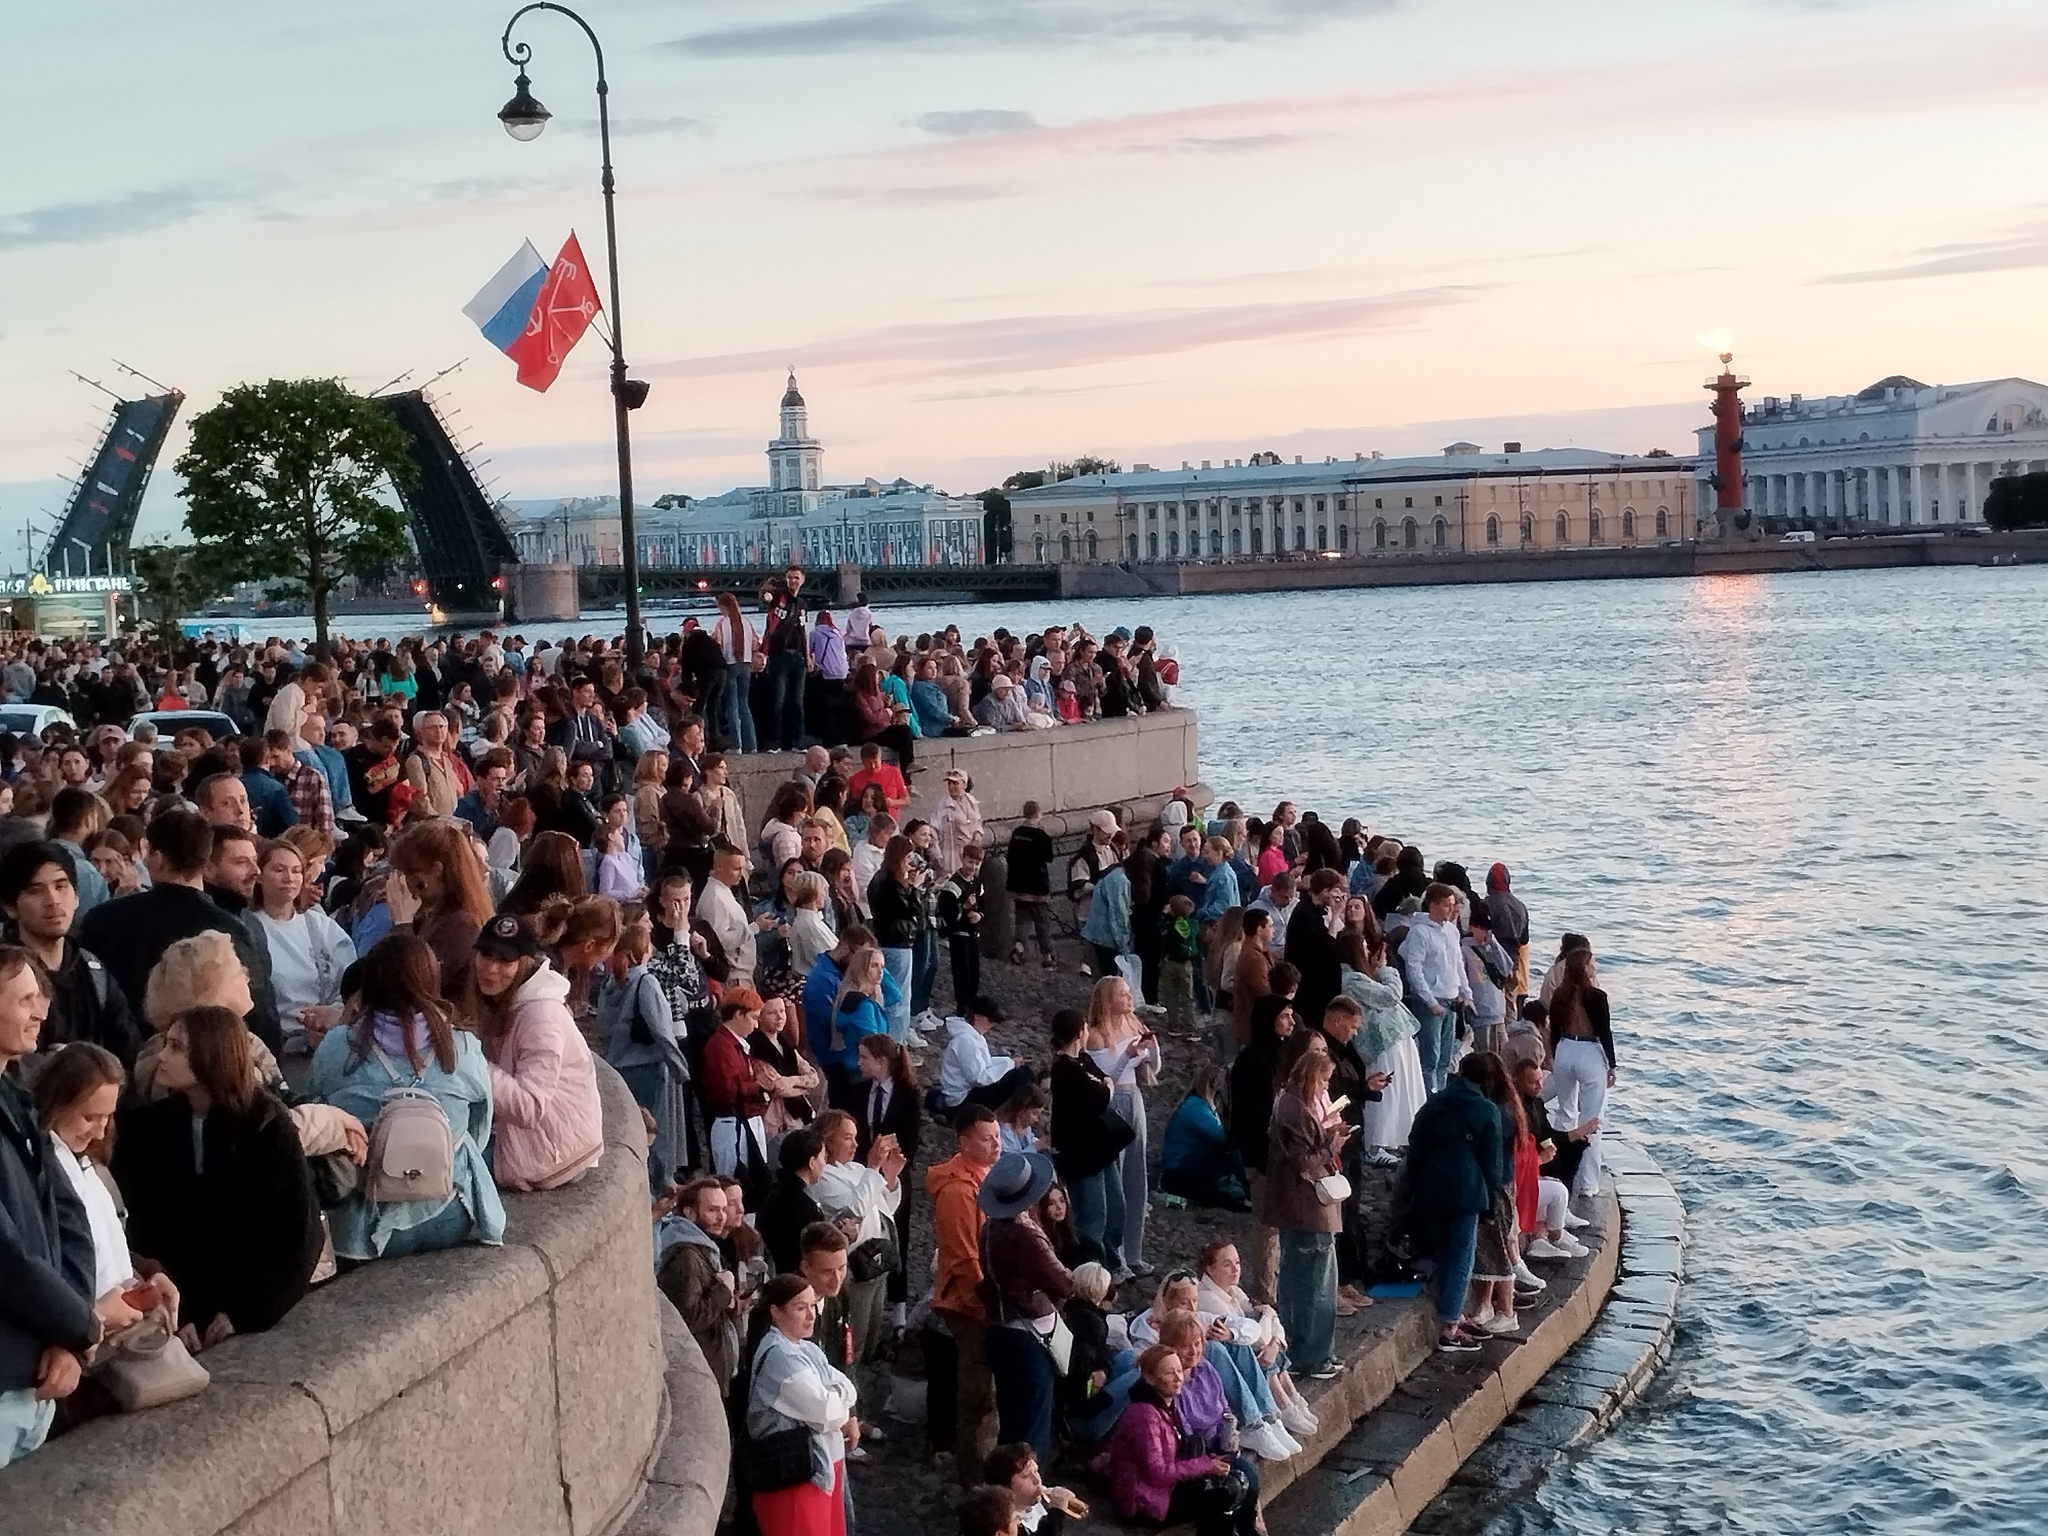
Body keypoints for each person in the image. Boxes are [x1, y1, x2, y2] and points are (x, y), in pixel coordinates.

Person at [114, 1004, 323, 1351]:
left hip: (245, 1308)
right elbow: (146, 1227)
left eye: (177, 1047)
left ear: (212, 1055)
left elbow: (298, 1236)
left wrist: (246, 1312)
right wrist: (183, 1313)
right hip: (178, 1310)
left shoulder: (265, 1126)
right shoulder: (150, 1126)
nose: (162, 1056)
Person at [307, 935, 505, 1261]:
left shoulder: (338, 1046)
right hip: (448, 1212)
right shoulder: (463, 1047)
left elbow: (314, 1110)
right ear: (431, 980)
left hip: (361, 1228)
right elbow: (479, 1129)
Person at [0, 951, 100, 1468]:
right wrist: (79, 1326)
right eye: (23, 999)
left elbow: (70, 1222)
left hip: (37, 1373)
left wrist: (72, 1334)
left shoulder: (18, 1098)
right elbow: (7, 1259)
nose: (40, 1011)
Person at [78, 807, 283, 1054]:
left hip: (115, 1063)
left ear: (157, 857)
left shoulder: (103, 919)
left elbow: (85, 999)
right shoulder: (232, 930)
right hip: (204, 1064)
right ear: (205, 860)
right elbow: (261, 1017)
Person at [466, 914, 603, 1192]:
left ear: (524, 963)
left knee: (442, 1164)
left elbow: (530, 1107)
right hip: (547, 1141)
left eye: (505, 960)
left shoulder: (542, 1015)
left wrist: (470, 1059)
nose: (491, 968)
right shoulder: (509, 1000)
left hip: (553, 1154)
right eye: (485, 955)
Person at [0, 841, 139, 1066]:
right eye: (35, 890)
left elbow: (129, 1052)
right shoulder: (4, 974)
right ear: (10, 907)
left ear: (76, 897)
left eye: (61, 886)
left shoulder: (94, 972)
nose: (53, 900)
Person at [975, 1150, 1074, 1463]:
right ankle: (1030, 1502)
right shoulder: (1026, 1235)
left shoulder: (990, 1229)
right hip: (1028, 1336)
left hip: (999, 1330)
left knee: (1011, 1424)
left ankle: (1003, 1497)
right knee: (1032, 1429)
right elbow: (1064, 1283)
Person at [1404, 1054, 1507, 1355]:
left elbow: (1416, 1142)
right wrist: (1490, 1204)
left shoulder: (1435, 1102)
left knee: (1443, 1252)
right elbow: (1492, 1164)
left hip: (1430, 1184)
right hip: (1467, 1189)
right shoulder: (1487, 1110)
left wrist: (1416, 1183)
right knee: (1463, 1256)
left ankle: (1454, 1312)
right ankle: (1450, 1326)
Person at [744, 1273, 859, 1536]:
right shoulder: (780, 1360)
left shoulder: (805, 1349)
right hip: (794, 1480)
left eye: (812, 1306)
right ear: (776, 1312)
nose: (811, 1315)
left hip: (816, 1471)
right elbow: (825, 1412)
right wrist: (839, 1407)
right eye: (800, 1307)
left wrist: (836, 1401)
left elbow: (846, 1388)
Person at [812, 1108, 906, 1420]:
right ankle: (847, 1416)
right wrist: (874, 1169)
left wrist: (889, 1178)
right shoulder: (824, 1176)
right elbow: (853, 1211)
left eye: (855, 1137)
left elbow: (884, 1208)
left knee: (868, 1343)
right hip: (852, 1267)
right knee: (851, 1344)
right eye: (847, 1138)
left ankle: (856, 1410)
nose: (854, 1144)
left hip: (876, 1265)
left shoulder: (854, 1169)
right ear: (828, 1141)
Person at [1107, 1344, 1260, 1536]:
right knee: (1226, 1491)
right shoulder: (1145, 1415)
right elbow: (1157, 1474)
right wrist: (1205, 1465)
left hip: (1164, 1489)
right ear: (1150, 1378)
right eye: (1169, 1373)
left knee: (1239, 1479)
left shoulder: (1166, 1403)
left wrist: (1211, 1460)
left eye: (1179, 1370)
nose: (1179, 1378)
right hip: (1143, 1502)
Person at [928, 1102, 1001, 1483]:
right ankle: (974, 1478)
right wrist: (987, 1304)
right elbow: (963, 1257)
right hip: (969, 1304)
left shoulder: (984, 1177)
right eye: (987, 1139)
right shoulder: (958, 1191)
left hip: (983, 1299)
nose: (996, 1146)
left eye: (998, 1137)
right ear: (964, 1142)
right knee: (977, 1395)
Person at [1264, 1049, 1347, 1380]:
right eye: (1324, 1080)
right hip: (1307, 1207)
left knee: (1300, 1281)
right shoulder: (1296, 1110)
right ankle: (1313, 1357)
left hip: (1297, 1207)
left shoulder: (1288, 1100)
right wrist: (1332, 1146)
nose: (1326, 1086)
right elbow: (1303, 1163)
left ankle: (1304, 1353)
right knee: (1315, 1285)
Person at [1195, 1239, 1319, 1441]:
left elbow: (1266, 1331)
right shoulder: (1208, 1298)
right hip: (1231, 1357)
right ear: (1209, 1269)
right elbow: (1256, 1336)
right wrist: (1269, 1317)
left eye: (1237, 1262)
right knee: (1258, 1341)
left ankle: (1291, 1399)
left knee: (1267, 1338)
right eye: (1227, 1265)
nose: (1235, 1269)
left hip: (1254, 1346)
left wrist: (1275, 1342)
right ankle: (1282, 1406)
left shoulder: (1234, 1290)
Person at [597, 920, 689, 1192]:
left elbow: (603, 1024)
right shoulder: (646, 982)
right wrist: (680, 1068)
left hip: (618, 1066)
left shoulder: (609, 985)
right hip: (648, 1067)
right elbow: (661, 1030)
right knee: (656, 1133)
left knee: (631, 1132)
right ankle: (657, 1189)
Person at [249, 838, 357, 1056]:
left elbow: (351, 985)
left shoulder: (320, 926)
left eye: (296, 871)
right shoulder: (248, 928)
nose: (289, 878)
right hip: (272, 1049)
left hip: (324, 1044)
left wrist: (331, 1015)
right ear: (259, 875)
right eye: (279, 870)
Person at [1085, 975, 1160, 1278]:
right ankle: (1112, 1255)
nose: (1129, 1000)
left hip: (1135, 1097)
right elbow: (1105, 1078)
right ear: (1108, 1000)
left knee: (1136, 1175)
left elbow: (1153, 1068)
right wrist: (1128, 1055)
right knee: (1114, 1176)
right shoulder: (1096, 1035)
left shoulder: (1134, 1024)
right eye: (1123, 995)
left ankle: (1134, 1252)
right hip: (1112, 1101)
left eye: (1129, 994)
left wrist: (1152, 1049)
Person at [1046, 1007, 1127, 1274]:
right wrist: (1104, 1087)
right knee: (1093, 1215)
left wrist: (1104, 1086)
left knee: (1116, 1207)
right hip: (1080, 1155)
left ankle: (1113, 1262)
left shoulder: (1081, 1060)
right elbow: (1100, 1096)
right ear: (1080, 1031)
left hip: (1101, 1149)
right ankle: (1092, 1271)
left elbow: (1102, 1083)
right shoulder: (1064, 1069)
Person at [850, 1031, 922, 1328]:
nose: (859, 1063)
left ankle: (900, 1307)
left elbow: (911, 1141)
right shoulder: (858, 1090)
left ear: (881, 1061)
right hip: (865, 1171)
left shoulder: (908, 1094)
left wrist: (890, 1162)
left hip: (895, 1174)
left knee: (898, 1237)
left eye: (865, 1057)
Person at [1336, 932, 1425, 1165]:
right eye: (1363, 946)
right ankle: (1375, 1145)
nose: (1367, 951)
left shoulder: (1358, 977)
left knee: (1400, 1089)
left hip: (1392, 1036)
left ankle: (1394, 1140)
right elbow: (1390, 996)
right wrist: (1386, 970)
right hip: (1380, 1040)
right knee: (1386, 1091)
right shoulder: (1352, 979)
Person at [384, 819, 494, 999]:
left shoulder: (462, 926)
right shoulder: (430, 916)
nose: (402, 883)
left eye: (408, 874)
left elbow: (413, 987)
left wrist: (402, 925)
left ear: (436, 870)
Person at [654, 1178, 740, 1393]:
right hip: (698, 1375)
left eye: (723, 1209)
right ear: (690, 1213)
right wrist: (724, 1291)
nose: (722, 1217)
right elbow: (688, 1318)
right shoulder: (685, 1256)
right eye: (712, 1210)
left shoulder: (702, 1248)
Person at [1545, 946, 1614, 1198]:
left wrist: (1555, 1054)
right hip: (1589, 1050)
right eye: (1591, 962)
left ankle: (1559, 1172)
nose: (1594, 965)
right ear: (1584, 968)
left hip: (1564, 1047)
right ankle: (1587, 1183)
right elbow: (1604, 1033)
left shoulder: (1560, 995)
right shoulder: (1596, 996)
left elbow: (1553, 1030)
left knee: (1566, 1113)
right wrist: (1612, 1065)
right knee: (1591, 1120)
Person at [1513, 1057, 1593, 1261]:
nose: (1539, 1086)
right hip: (1523, 1171)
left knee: (1572, 1150)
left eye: (1541, 1081)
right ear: (1517, 1082)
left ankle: (1551, 1227)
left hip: (1535, 1157)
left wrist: (1571, 1138)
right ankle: (1553, 1234)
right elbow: (1532, 1140)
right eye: (1533, 1082)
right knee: (1557, 1186)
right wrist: (1570, 1135)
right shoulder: (1517, 1110)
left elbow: (1545, 1133)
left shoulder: (1536, 1104)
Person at [1402, 883, 1472, 1095]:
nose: (1451, 910)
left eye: (1452, 905)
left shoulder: (1451, 931)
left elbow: (1457, 963)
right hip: (1431, 1002)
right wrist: (1430, 1000)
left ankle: (1440, 1096)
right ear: (1433, 905)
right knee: (1430, 1058)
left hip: (1451, 999)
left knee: (1445, 1057)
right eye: (1446, 905)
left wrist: (1466, 992)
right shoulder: (1420, 932)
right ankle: (1428, 1099)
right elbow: (1414, 968)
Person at [702, 987, 772, 1183]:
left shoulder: (735, 1044)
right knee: (734, 1183)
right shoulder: (720, 1046)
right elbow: (726, 1092)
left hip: (745, 1120)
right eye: (754, 1018)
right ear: (739, 1014)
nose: (756, 1026)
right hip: (731, 1124)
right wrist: (757, 1085)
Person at [1159, 1064, 1249, 1210]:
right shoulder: (1195, 1107)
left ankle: (1233, 1188)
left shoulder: (1195, 1104)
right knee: (1227, 1148)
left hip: (1180, 1165)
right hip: (1178, 1168)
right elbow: (1221, 1137)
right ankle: (1241, 1189)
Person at [937, 995, 1034, 1115]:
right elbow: (979, 1078)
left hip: (966, 1094)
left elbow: (984, 1064)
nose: (991, 1025)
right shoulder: (966, 1040)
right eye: (990, 1020)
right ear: (977, 1017)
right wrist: (1009, 1064)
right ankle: (1012, 1115)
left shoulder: (971, 1036)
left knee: (1022, 1071)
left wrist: (1011, 1062)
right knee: (1019, 1077)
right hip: (961, 1101)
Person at [759, 1124, 830, 1274]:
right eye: (823, 1157)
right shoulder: (803, 1204)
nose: (824, 1163)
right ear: (812, 1162)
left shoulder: (772, 1193)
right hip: (797, 1279)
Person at [983, 1442, 1083, 1536]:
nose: (1037, 1480)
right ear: (1005, 1488)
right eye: (1026, 1476)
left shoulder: (1037, 1506)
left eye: (1036, 1471)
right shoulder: (1007, 1527)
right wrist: (1056, 1512)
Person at [1004, 802, 1058, 970]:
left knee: (1023, 920)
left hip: (1019, 885)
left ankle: (1019, 948)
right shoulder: (1042, 836)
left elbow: (1010, 856)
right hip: (1037, 885)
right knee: (1042, 921)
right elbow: (1049, 857)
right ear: (1038, 814)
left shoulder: (1017, 834)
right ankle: (1047, 956)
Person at [936, 839, 987, 1008]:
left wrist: (979, 915)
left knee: (974, 971)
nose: (973, 867)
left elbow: (984, 904)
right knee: (962, 972)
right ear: (962, 859)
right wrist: (962, 908)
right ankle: (962, 1005)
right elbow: (945, 913)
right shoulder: (953, 885)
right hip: (959, 935)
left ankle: (972, 1002)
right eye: (970, 862)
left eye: (977, 863)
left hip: (973, 933)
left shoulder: (977, 883)